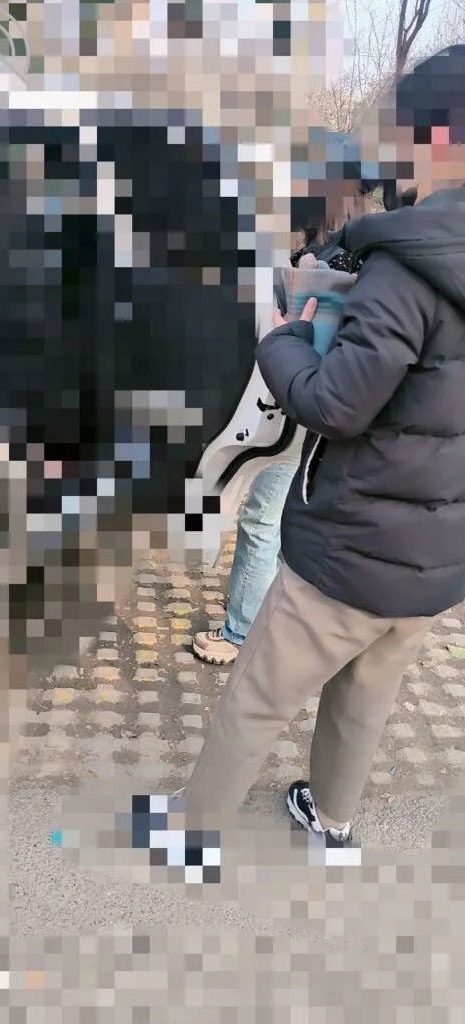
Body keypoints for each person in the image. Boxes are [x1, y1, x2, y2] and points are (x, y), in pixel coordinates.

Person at [181, 46, 465, 857]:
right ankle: (331, 826)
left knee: (256, 699)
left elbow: (336, 405)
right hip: (438, 558)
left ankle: (191, 837)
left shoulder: (408, 265)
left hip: (353, 545)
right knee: (365, 701)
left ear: (436, 135)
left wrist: (282, 340)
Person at [193, 194, 364, 666]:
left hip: (293, 411)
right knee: (281, 521)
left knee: (262, 520)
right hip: (318, 413)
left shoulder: (329, 262)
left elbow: (303, 341)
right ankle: (264, 616)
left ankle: (242, 631)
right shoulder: (358, 257)